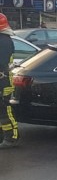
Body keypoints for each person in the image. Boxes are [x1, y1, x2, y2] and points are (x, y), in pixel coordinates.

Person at [0, 13, 19, 149]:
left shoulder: (4, 41)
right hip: (3, 79)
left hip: (3, 81)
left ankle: (11, 137)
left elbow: (2, 62)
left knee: (4, 110)